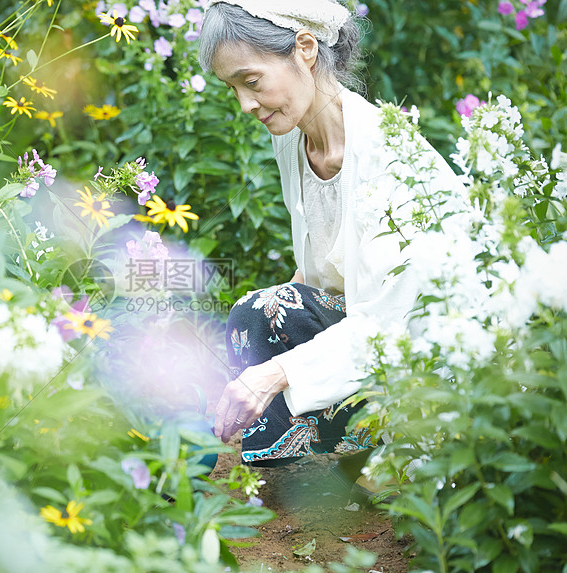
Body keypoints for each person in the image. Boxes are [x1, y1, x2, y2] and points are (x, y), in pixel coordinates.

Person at [197, 0, 465, 486]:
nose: (245, 105)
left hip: (430, 366)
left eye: (251, 82)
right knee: (255, 315)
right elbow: (319, 272)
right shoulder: (292, 138)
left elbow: (394, 323)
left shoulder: (388, 156)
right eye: (232, 88)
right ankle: (314, 471)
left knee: (265, 322)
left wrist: (273, 372)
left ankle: (377, 463)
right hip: (364, 340)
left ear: (305, 50)